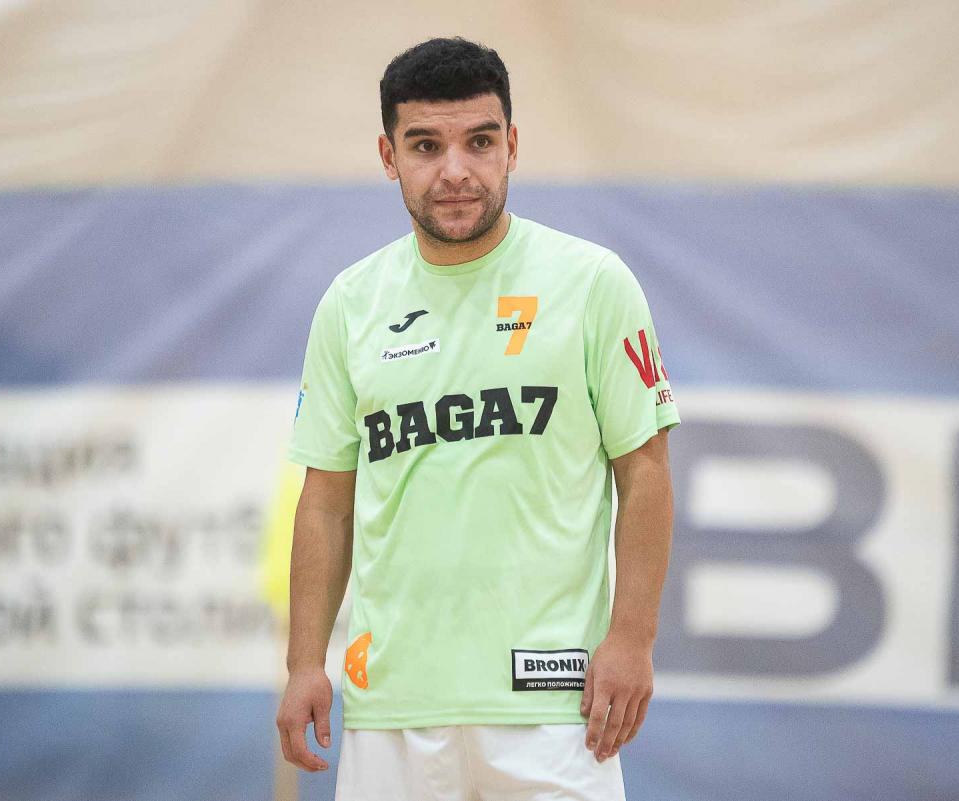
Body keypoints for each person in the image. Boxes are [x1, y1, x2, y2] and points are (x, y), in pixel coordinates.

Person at [275, 36, 680, 801]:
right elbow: (326, 502)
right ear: (389, 156)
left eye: (480, 142)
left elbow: (645, 470)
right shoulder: (350, 304)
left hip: (555, 708)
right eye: (426, 145)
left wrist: (632, 638)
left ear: (512, 146)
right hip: (390, 709)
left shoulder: (593, 284)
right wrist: (304, 662)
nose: (455, 170)